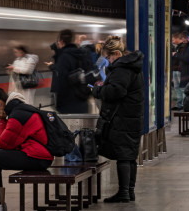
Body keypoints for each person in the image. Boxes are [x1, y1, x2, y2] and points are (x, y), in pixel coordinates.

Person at [0, 86, 53, 211]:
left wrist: (1, 122)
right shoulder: (17, 110)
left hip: (37, 157)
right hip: (36, 154)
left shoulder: (17, 115)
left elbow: (5, 144)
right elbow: (9, 141)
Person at [91, 36, 144, 203]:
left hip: (123, 117)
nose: (108, 61)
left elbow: (116, 92)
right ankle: (129, 191)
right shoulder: (131, 66)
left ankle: (123, 192)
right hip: (132, 115)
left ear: (115, 53)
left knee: (124, 155)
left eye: (108, 57)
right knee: (129, 155)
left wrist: (98, 91)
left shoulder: (122, 68)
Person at [50, 29, 89, 113]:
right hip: (83, 100)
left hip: (68, 103)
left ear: (61, 41)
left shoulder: (64, 57)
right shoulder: (83, 54)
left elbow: (62, 82)